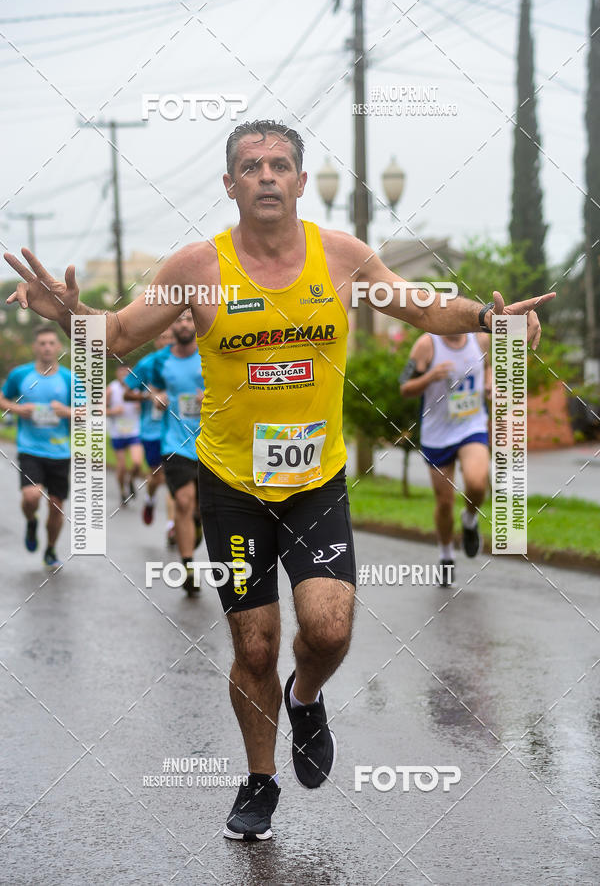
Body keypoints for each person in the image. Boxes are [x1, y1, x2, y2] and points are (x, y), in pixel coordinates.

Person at [4, 119, 554, 842]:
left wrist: (488, 317)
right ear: (229, 184)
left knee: (327, 629)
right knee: (254, 645)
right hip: (230, 485)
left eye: (281, 164)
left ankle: (307, 695)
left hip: (316, 482)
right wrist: (72, 314)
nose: (267, 174)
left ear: (299, 180)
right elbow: (121, 333)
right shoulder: (197, 266)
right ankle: (260, 781)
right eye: (251, 165)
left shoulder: (342, 256)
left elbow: (422, 305)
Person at [400, 331, 492, 585]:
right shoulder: (426, 345)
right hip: (438, 433)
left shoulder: (480, 340)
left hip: (471, 425)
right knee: (444, 502)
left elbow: (488, 366)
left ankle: (470, 519)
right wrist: (430, 377)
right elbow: (404, 387)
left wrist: (489, 383)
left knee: (476, 483)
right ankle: (446, 555)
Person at [0, 325, 73, 569]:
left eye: (51, 343)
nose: (47, 347)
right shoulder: (21, 375)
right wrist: (19, 409)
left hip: (60, 451)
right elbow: (2, 398)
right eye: (42, 343)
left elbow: (90, 411)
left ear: (58, 347)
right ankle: (31, 521)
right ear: (35, 347)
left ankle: (50, 549)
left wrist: (68, 412)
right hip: (30, 449)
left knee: (56, 505)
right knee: (31, 497)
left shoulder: (69, 379)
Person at [145, 310, 204, 593]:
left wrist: (213, 395)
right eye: (178, 320)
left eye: (189, 319)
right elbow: (153, 388)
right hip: (175, 442)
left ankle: (197, 523)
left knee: (200, 507)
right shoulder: (161, 360)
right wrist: (157, 397)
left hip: (212, 443)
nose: (183, 324)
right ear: (171, 326)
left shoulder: (210, 354)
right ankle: (188, 566)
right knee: (183, 500)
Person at [123, 327, 174, 530]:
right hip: (152, 430)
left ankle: (172, 526)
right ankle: (151, 500)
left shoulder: (186, 362)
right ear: (156, 341)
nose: (168, 342)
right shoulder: (147, 364)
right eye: (163, 337)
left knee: (175, 479)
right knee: (158, 477)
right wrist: (147, 396)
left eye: (171, 337)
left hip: (178, 431)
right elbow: (127, 393)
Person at [106, 364, 143, 505]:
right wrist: (113, 411)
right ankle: (122, 491)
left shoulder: (137, 388)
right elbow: (99, 410)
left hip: (134, 432)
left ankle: (131, 480)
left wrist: (140, 406)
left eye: (127, 373)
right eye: (121, 372)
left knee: (137, 463)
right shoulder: (111, 389)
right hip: (118, 434)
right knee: (121, 467)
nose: (124, 375)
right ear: (117, 373)